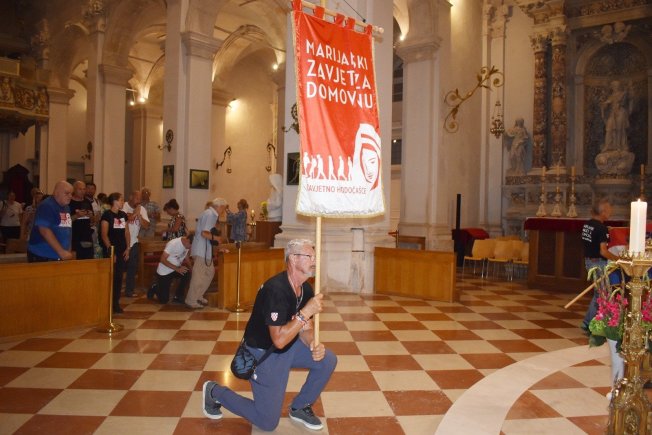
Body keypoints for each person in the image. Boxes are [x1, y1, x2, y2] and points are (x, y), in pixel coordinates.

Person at [202, 239, 336, 431]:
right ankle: (215, 392)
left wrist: (313, 343)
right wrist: (306, 311)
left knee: (327, 360)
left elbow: (306, 328)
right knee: (267, 422)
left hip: (289, 347)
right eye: (310, 256)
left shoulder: (305, 288)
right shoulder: (276, 291)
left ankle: (300, 407)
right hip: (264, 353)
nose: (314, 261)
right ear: (293, 259)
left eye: (315, 257)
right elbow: (279, 340)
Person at [581, 198, 619, 333]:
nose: (611, 213)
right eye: (609, 210)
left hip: (589, 261)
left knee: (600, 294)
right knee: (601, 295)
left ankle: (591, 323)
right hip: (598, 263)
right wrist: (618, 259)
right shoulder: (601, 228)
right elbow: (603, 251)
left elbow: (594, 237)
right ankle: (588, 324)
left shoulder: (588, 224)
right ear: (603, 212)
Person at [185, 198, 227, 308]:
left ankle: (198, 295)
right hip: (201, 250)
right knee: (198, 276)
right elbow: (204, 233)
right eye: (223, 208)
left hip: (204, 250)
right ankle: (191, 300)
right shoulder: (210, 214)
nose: (223, 211)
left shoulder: (209, 213)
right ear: (219, 206)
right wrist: (217, 238)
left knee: (209, 273)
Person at [27, 181, 73, 262]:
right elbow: (44, 230)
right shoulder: (47, 206)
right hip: (43, 256)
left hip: (59, 255)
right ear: (56, 192)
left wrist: (68, 249)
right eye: (67, 193)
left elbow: (67, 229)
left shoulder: (66, 207)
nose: (70, 196)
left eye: (71, 194)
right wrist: (61, 252)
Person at [101, 192, 130, 314]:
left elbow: (126, 232)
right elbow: (104, 235)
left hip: (122, 249)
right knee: (111, 277)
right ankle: (107, 302)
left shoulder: (123, 215)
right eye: (121, 200)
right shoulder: (107, 215)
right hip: (111, 250)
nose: (123, 202)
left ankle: (115, 303)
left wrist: (128, 248)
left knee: (119, 277)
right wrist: (111, 251)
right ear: (114, 201)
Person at [149, 235, 193, 304]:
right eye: (191, 246)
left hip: (175, 269)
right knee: (164, 300)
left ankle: (178, 296)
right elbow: (162, 259)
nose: (191, 248)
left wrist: (192, 270)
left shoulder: (187, 245)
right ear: (188, 241)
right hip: (164, 272)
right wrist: (177, 269)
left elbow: (186, 257)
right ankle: (154, 287)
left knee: (187, 273)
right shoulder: (173, 243)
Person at [122, 190, 150, 297]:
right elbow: (126, 219)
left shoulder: (142, 209)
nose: (139, 201)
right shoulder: (123, 206)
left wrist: (139, 215)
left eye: (140, 199)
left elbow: (146, 225)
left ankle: (129, 290)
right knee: (119, 267)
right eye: (137, 198)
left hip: (134, 242)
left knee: (132, 267)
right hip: (122, 241)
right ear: (130, 197)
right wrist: (135, 213)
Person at [600, 80, 634, 153]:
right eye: (613, 86)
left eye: (616, 85)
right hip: (613, 113)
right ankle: (608, 145)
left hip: (621, 112)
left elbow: (630, 98)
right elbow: (606, 104)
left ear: (618, 86)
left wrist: (630, 88)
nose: (614, 87)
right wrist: (603, 104)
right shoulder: (611, 96)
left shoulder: (623, 93)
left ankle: (619, 146)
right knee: (609, 128)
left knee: (619, 129)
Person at [69, 181, 95, 259]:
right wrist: (77, 216)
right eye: (80, 189)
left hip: (87, 236)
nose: (82, 191)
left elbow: (92, 222)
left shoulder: (87, 202)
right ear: (74, 189)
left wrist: (91, 216)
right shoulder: (69, 202)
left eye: (84, 189)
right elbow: (65, 221)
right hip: (73, 237)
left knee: (88, 260)